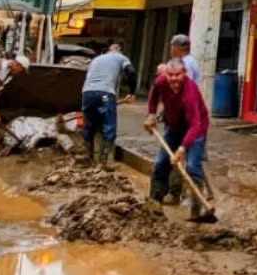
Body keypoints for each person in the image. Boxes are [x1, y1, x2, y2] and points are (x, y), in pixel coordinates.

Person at [145, 56, 211, 219]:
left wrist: (182, 149)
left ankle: (197, 210)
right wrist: (151, 115)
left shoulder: (190, 92)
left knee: (193, 166)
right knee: (161, 162)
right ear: (166, 74)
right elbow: (154, 94)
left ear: (185, 73)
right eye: (170, 75)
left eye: (178, 74)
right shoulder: (161, 81)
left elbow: (195, 125)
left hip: (197, 127)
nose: (174, 78)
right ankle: (155, 202)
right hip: (174, 125)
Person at [80, 42, 136, 168]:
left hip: (87, 93)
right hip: (105, 94)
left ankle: (87, 159)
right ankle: (105, 162)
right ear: (119, 50)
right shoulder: (121, 57)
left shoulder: (96, 59)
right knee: (109, 126)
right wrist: (132, 93)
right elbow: (131, 72)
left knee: (89, 125)